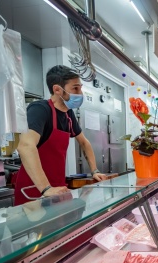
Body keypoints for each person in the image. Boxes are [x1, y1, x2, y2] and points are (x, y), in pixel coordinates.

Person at [15, 65, 108, 205]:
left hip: (58, 186)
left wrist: (94, 171)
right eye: (75, 88)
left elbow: (84, 142)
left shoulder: (68, 114)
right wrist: (45, 188)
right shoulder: (40, 109)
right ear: (57, 89)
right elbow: (25, 146)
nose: (80, 93)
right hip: (34, 189)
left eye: (80, 88)